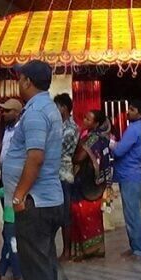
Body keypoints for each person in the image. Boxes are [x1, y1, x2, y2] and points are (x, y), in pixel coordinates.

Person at [4, 60, 69, 280]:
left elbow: (35, 157)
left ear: (27, 81)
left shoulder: (36, 112)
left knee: (36, 272)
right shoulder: (46, 108)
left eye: (20, 78)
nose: (18, 82)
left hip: (35, 202)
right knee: (44, 263)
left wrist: (19, 195)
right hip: (45, 200)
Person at [69, 110, 112, 261]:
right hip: (94, 183)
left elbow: (79, 158)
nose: (85, 121)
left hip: (87, 183)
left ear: (96, 124)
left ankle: (87, 250)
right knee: (92, 216)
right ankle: (96, 248)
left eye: (88, 119)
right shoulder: (101, 137)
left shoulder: (92, 138)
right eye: (85, 118)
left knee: (83, 215)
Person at [111, 99, 141, 260]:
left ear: (140, 114)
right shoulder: (138, 128)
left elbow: (119, 151)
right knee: (131, 212)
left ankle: (139, 249)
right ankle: (135, 247)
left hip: (130, 174)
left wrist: (111, 143)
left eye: (133, 109)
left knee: (133, 213)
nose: (129, 112)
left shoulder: (134, 129)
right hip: (132, 173)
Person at [54, 93, 78, 262]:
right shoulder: (59, 125)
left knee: (65, 216)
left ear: (63, 107)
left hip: (64, 173)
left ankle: (67, 251)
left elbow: (57, 148)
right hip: (56, 173)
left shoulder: (70, 128)